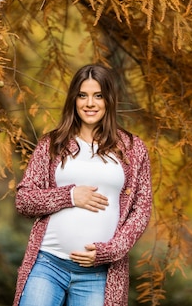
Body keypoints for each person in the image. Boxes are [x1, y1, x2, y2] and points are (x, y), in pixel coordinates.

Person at [13, 64, 152, 306]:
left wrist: (110, 251)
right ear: (73, 100)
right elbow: (24, 200)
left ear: (109, 100)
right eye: (82, 95)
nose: (90, 103)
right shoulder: (52, 144)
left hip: (99, 275)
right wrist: (70, 196)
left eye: (98, 96)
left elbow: (141, 210)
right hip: (48, 264)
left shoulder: (132, 148)